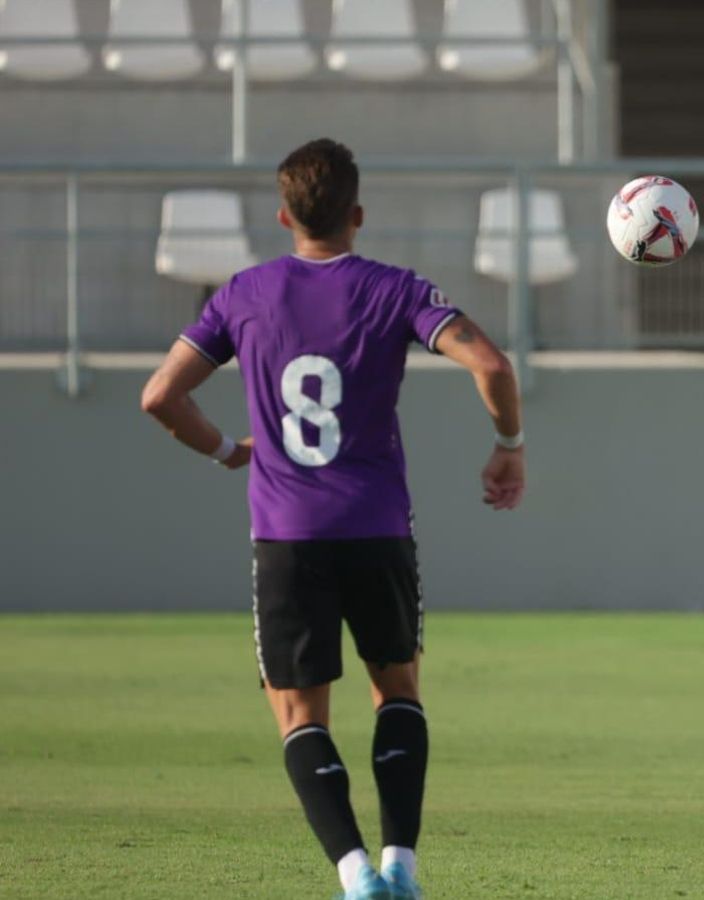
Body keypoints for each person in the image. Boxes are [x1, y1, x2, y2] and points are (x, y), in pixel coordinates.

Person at [140, 139, 525, 899]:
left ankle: (355, 876)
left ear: (285, 216)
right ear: (356, 214)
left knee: (299, 713)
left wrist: (225, 451)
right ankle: (402, 868)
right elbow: (493, 365)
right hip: (377, 527)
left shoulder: (241, 294)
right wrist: (508, 445)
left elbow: (159, 396)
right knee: (399, 692)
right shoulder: (394, 288)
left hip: (287, 536)